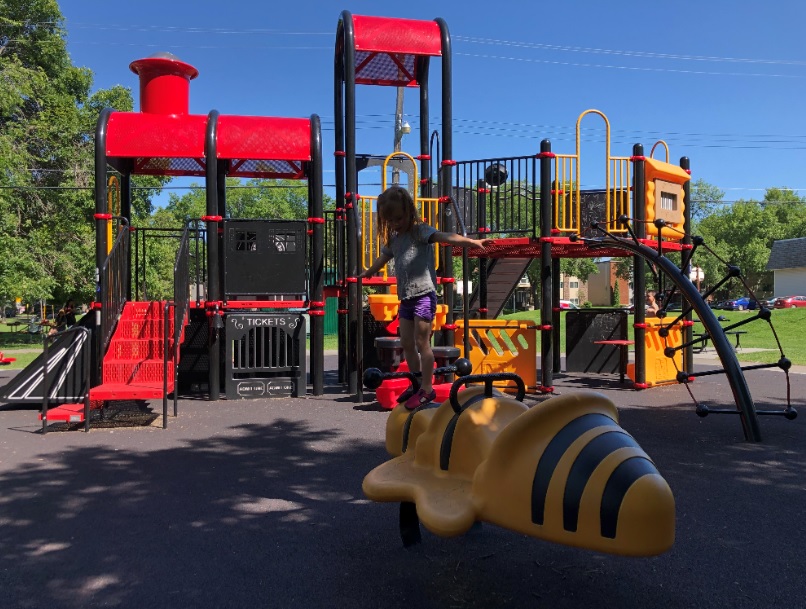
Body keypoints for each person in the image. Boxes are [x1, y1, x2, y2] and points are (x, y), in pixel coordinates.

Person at [358, 186, 493, 409]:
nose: (395, 224)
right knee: (406, 343)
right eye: (390, 221)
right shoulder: (395, 239)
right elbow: (383, 258)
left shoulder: (420, 231)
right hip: (406, 299)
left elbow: (445, 236)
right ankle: (417, 383)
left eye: (399, 218)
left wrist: (471, 242)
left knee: (422, 343)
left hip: (424, 296)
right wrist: (369, 272)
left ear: (409, 211)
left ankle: (428, 389)